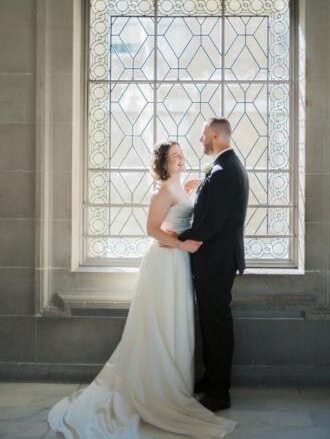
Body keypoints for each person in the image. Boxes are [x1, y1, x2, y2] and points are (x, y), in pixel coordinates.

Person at [47, 140, 236, 438]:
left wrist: (199, 185)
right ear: (163, 163)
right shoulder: (162, 191)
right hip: (165, 261)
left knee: (177, 321)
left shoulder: (182, 186)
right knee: (160, 322)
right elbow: (151, 229)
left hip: (179, 263)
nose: (181, 159)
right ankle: (158, 385)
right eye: (174, 157)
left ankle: (177, 382)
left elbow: (188, 207)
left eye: (181, 154)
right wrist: (181, 244)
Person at [178, 118, 249, 413]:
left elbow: (211, 223)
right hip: (215, 259)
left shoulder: (224, 171)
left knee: (217, 323)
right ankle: (211, 379)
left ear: (216, 135)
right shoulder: (224, 167)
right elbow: (212, 211)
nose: (200, 140)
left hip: (217, 259)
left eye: (203, 135)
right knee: (210, 320)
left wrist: (177, 238)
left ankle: (220, 392)